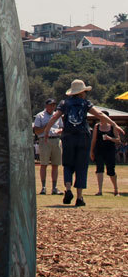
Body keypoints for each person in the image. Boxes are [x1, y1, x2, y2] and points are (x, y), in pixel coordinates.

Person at [44, 79, 124, 207]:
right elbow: (99, 114)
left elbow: (55, 117)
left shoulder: (64, 103)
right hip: (83, 137)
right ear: (81, 93)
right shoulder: (85, 103)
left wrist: (47, 130)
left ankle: (68, 189)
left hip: (68, 137)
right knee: (81, 166)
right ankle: (79, 197)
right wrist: (114, 124)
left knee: (68, 164)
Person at [33, 98, 62, 195]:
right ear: (46, 106)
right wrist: (47, 126)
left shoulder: (57, 115)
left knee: (55, 164)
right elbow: (36, 131)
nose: (52, 107)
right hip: (44, 140)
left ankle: (54, 187)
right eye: (50, 105)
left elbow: (61, 126)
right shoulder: (40, 116)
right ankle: (43, 187)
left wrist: (60, 130)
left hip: (56, 140)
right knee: (44, 164)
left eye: (54, 105)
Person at [90, 111, 121, 196]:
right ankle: (100, 190)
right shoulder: (97, 126)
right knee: (99, 169)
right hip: (99, 150)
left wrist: (110, 138)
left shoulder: (112, 127)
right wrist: (91, 151)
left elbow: (118, 140)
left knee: (111, 170)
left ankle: (116, 190)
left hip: (110, 151)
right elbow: (93, 140)